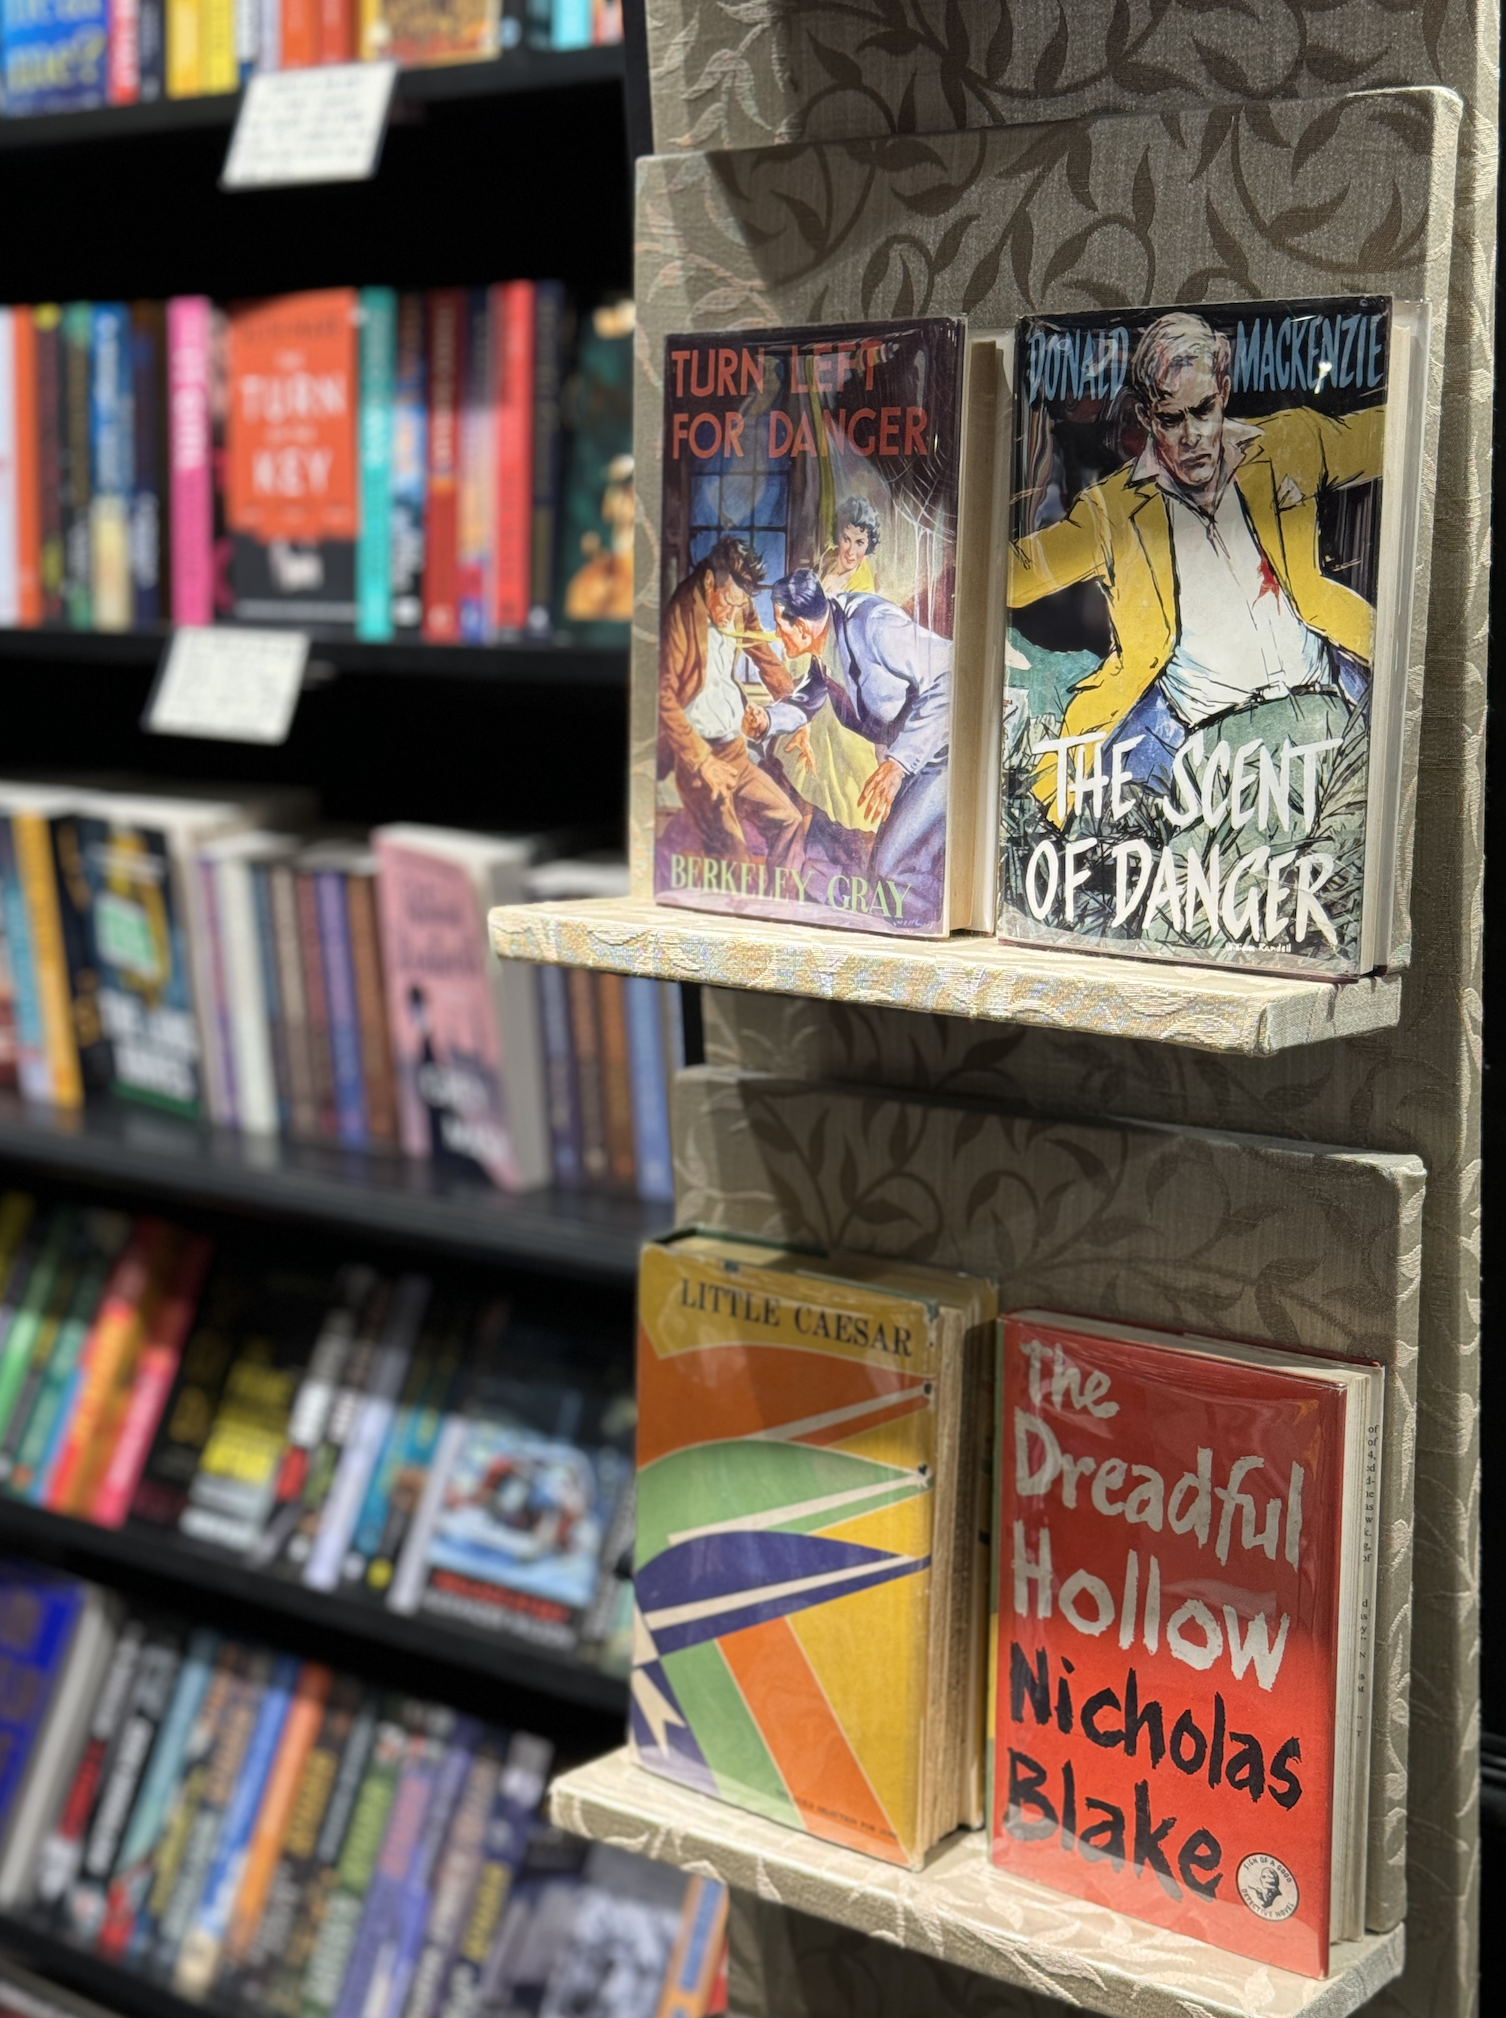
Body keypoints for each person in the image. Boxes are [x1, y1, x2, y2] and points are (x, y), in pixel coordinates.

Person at [1009, 309, 1383, 818]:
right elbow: (1014, 574)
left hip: (1325, 705)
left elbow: (1393, 434)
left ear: (1223, 392)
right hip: (1202, 744)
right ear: (1147, 418)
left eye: (1203, 410)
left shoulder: (1289, 443)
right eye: (1171, 418)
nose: (1191, 436)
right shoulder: (1112, 511)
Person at [746, 570, 952, 913]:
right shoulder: (825, 646)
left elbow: (951, 674)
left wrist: (898, 764)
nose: (778, 634)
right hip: (914, 760)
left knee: (893, 869)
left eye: (780, 626)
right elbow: (806, 700)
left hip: (945, 748)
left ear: (802, 627)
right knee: (884, 869)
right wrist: (767, 720)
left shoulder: (874, 624)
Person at [657, 535, 801, 867]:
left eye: (740, 605)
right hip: (699, 759)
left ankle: (782, 898)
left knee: (790, 820)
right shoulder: (681, 614)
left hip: (735, 750)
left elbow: (764, 655)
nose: (733, 614)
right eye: (728, 602)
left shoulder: (738, 602)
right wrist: (703, 761)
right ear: (710, 581)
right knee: (733, 859)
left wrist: (797, 708)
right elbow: (664, 698)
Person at [818, 496, 881, 595]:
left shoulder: (864, 589)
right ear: (838, 536)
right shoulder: (829, 556)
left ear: (869, 545)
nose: (851, 552)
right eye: (846, 539)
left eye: (859, 543)